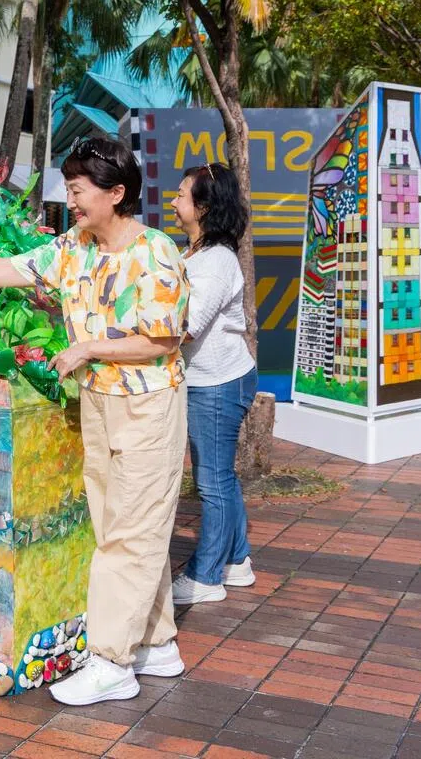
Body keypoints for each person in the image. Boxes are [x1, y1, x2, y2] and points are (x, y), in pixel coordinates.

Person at [0, 136, 189, 706]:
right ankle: (157, 641)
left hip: (147, 405)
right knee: (116, 524)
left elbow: (163, 338)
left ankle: (112, 662)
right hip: (99, 403)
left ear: (116, 193)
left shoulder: (156, 253)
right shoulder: (76, 246)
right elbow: (12, 268)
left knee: (132, 533)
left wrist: (90, 349)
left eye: (77, 191)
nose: (70, 201)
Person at [169, 163, 258, 605]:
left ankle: (205, 577)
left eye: (182, 194)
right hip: (213, 380)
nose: (174, 200)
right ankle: (237, 560)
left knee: (211, 481)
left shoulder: (216, 261)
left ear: (203, 207)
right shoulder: (192, 254)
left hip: (219, 384)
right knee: (220, 476)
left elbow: (186, 326)